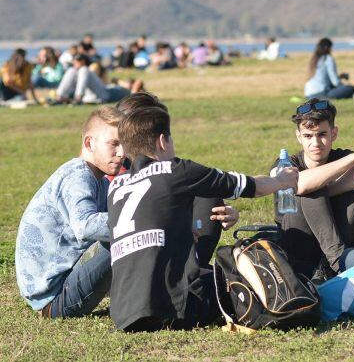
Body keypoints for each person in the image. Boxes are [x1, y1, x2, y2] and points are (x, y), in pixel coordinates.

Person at [108, 105, 298, 331]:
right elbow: (252, 187)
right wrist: (281, 180)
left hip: (123, 313)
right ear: (162, 141)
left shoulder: (116, 188)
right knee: (244, 278)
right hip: (172, 311)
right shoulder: (176, 170)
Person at [15, 106, 124, 318]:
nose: (122, 153)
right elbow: (86, 225)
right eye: (114, 144)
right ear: (89, 143)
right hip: (55, 299)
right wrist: (144, 220)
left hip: (60, 288)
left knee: (128, 232)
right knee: (125, 236)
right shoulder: (78, 176)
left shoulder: (99, 180)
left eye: (124, 145)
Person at [113, 91, 238, 266]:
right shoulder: (109, 171)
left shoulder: (163, 169)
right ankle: (188, 275)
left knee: (207, 196)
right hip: (122, 255)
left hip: (158, 249)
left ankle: (191, 271)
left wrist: (223, 213)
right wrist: (177, 229)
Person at [275, 98, 354, 280]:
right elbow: (300, 184)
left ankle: (329, 265)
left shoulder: (339, 156)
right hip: (298, 243)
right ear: (298, 136)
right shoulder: (287, 163)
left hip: (340, 233)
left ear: (334, 133)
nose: (315, 143)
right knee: (310, 189)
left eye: (322, 134)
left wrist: (324, 188)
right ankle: (338, 260)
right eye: (308, 136)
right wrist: (351, 161)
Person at [56, 54, 137, 104]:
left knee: (83, 70)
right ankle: (60, 96)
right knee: (71, 70)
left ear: (83, 62)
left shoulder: (86, 69)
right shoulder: (77, 70)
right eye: (74, 62)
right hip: (98, 93)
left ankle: (78, 97)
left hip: (103, 94)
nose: (74, 64)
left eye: (76, 62)